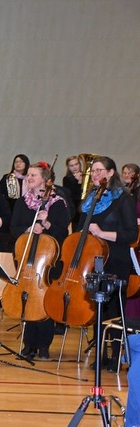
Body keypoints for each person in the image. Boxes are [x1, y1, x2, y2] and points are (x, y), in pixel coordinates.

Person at [80, 157, 138, 371]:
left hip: (116, 260)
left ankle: (115, 357)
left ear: (111, 172)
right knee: (98, 310)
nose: (95, 174)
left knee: (114, 309)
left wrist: (102, 233)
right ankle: (100, 355)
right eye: (93, 171)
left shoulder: (123, 199)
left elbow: (131, 234)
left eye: (99, 170)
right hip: (93, 262)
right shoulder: (90, 199)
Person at [10, 162, 70, 360]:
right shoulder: (22, 202)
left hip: (47, 261)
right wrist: (28, 229)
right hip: (27, 259)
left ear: (45, 179)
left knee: (44, 301)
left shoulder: (58, 203)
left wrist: (46, 222)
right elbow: (13, 229)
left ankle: (44, 345)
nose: (29, 178)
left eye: (33, 175)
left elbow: (62, 233)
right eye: (28, 175)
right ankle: (28, 345)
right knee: (26, 299)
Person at [62, 155, 83, 230]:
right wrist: (79, 182)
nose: (75, 167)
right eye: (71, 165)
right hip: (75, 209)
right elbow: (71, 195)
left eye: (76, 164)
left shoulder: (86, 176)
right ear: (68, 167)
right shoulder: (66, 179)